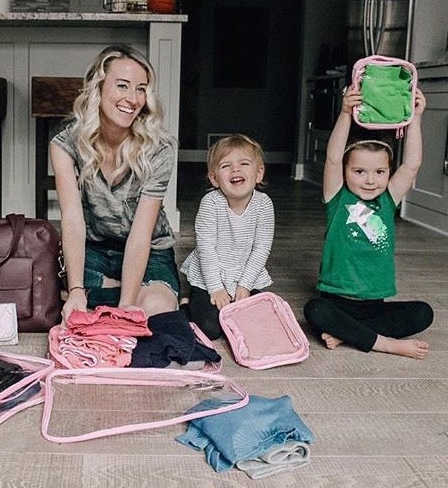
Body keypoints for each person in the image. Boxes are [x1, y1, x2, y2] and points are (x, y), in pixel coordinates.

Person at [50, 44, 179, 324]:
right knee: (54, 291)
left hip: (149, 250)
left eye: (141, 89)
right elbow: (72, 220)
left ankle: (113, 292)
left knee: (158, 307)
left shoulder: (161, 147)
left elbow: (141, 234)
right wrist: (75, 290)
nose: (132, 99)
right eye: (122, 86)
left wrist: (127, 304)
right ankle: (101, 290)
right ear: (98, 88)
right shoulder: (65, 144)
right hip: (94, 250)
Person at [303, 86, 433, 359]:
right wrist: (345, 113)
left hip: (375, 305)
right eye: (359, 171)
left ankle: (348, 332)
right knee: (315, 311)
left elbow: (411, 165)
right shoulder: (337, 196)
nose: (370, 180)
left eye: (380, 172)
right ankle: (385, 343)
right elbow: (333, 157)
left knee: (424, 313)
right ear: (346, 171)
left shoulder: (387, 199)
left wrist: (416, 119)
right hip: (335, 302)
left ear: (388, 173)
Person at [179, 134, 274, 340]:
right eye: (226, 166)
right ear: (214, 178)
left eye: (244, 163)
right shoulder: (211, 204)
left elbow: (261, 248)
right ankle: (186, 304)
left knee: (259, 321)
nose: (235, 170)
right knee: (209, 329)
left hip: (244, 274)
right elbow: (206, 249)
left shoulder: (264, 205)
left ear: (258, 173)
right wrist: (216, 289)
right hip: (210, 276)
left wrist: (245, 286)